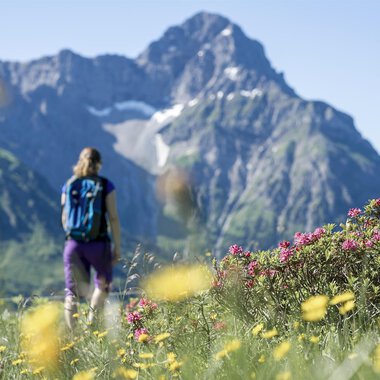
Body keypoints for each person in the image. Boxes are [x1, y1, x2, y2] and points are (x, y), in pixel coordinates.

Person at [61, 147, 121, 329]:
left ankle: (74, 336)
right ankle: (91, 324)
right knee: (103, 285)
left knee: (72, 293)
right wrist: (117, 246)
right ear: (99, 164)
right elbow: (113, 217)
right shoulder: (105, 185)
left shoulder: (69, 185)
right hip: (98, 244)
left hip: (73, 244)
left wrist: (73, 236)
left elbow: (64, 217)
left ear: (80, 161)